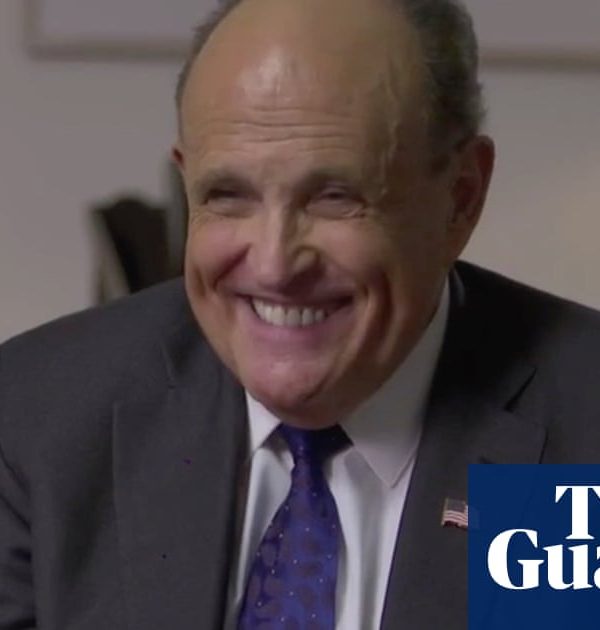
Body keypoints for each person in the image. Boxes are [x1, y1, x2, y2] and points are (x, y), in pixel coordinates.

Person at [1, 0, 600, 628]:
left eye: (335, 196)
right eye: (228, 196)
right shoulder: (37, 420)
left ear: (460, 197)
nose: (275, 265)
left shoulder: (581, 438)